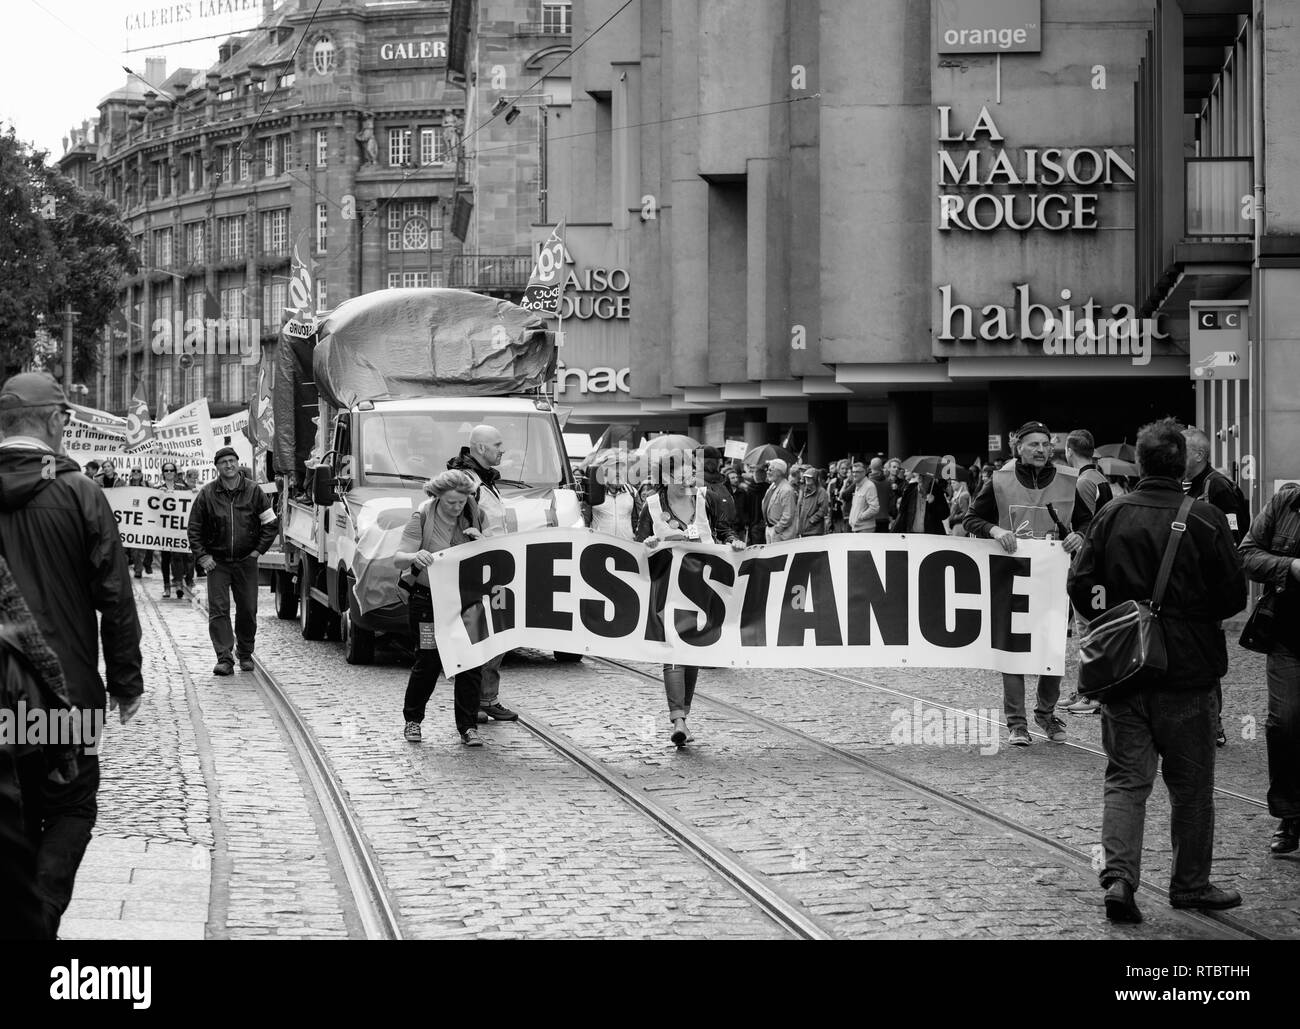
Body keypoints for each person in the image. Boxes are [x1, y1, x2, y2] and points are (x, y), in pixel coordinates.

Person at [1068, 418, 1247, 922]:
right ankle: (1190, 884)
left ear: (1141, 464)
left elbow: (1082, 585)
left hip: (1124, 670)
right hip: (1189, 671)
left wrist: (1116, 615)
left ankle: (1120, 879)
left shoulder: (1111, 514)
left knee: (1126, 779)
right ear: (1183, 462)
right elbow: (1233, 596)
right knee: (1191, 787)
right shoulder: (1207, 518)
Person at [0, 372, 143, 938]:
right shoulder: (80, 492)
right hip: (63, 693)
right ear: (55, 421)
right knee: (69, 804)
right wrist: (126, 682)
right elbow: (115, 597)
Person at [964, 420, 1089, 746]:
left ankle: (1045, 715)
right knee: (1014, 651)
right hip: (1012, 576)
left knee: (1051, 650)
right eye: (1033, 444)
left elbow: (1091, 523)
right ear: (1018, 447)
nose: (1040, 450)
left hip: (1053, 579)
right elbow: (971, 519)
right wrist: (996, 531)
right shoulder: (1000, 480)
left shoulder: (1068, 480)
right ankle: (1017, 725)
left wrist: (1079, 535)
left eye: (1045, 445)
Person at [634, 454, 746, 747]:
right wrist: (647, 545)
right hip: (667, 588)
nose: (688, 482)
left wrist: (733, 541)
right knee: (673, 651)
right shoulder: (652, 505)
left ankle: (684, 713)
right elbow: (639, 544)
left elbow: (722, 530)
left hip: (702, 589)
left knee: (693, 650)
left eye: (691, 476)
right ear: (667, 478)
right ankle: (678, 720)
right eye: (682, 477)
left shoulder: (705, 500)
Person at [395, 470, 488, 746]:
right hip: (428, 600)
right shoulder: (421, 519)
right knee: (428, 660)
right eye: (451, 503)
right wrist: (416, 555)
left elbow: (494, 556)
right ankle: (413, 720)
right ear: (437, 497)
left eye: (461, 502)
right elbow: (398, 559)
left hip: (467, 599)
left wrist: (482, 543)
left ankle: (468, 727)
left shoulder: (475, 516)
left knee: (471, 661)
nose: (457, 508)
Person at [1239, 483, 1300, 856]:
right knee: (1285, 722)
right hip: (1288, 637)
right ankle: (1290, 813)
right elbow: (1246, 555)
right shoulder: (1287, 502)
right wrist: (1290, 566)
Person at [1183, 426, 1251, 748]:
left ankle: (1214, 724)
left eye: (1181, 450)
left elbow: (1234, 538)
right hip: (1188, 585)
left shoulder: (1218, 486)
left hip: (1209, 589)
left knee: (1206, 655)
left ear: (1198, 454)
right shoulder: (1186, 484)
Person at [188, 447, 278, 676]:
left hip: (246, 561)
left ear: (238, 463)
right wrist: (203, 555)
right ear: (216, 467)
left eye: (232, 461)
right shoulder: (207, 494)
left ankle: (245, 653)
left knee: (248, 609)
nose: (228, 465)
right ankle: (224, 658)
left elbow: (270, 523)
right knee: (218, 610)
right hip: (217, 563)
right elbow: (194, 528)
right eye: (223, 462)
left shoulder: (254, 491)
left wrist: (258, 551)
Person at [448, 424, 517, 722]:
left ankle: (486, 697)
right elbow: (458, 520)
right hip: (479, 569)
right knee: (478, 634)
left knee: (498, 633)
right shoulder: (468, 481)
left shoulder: (484, 479)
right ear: (480, 448)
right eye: (497, 444)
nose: (502, 449)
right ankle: (474, 701)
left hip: (497, 567)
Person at [1060, 429, 1115, 715]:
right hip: (1100, 565)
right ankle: (1086, 689)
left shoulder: (1082, 482)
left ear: (1069, 450)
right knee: (1090, 629)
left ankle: (1093, 694)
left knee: (1089, 631)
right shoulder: (1101, 479)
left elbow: (1086, 527)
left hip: (1088, 567)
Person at [584, 449, 639, 540]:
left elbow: (638, 520)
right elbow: (585, 520)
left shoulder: (632, 491)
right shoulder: (593, 491)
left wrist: (636, 538)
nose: (618, 473)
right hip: (600, 546)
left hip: (626, 546)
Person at [158, 462, 194, 599]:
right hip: (164, 528)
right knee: (165, 558)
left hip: (178, 527)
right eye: (166, 470)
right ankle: (166, 586)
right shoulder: (157, 488)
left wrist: (194, 493)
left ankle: (179, 583)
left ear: (175, 472)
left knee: (178, 555)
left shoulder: (182, 487)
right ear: (163, 473)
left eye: (171, 470)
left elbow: (190, 501)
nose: (169, 472)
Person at [125, 467, 155, 578]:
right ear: (131, 473)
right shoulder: (126, 487)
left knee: (147, 545)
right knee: (134, 546)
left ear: (142, 473)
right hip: (132, 519)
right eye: (134, 471)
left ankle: (147, 563)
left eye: (138, 471)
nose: (136, 473)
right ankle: (138, 569)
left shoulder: (148, 485)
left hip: (146, 519)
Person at [761, 458, 798, 542]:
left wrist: (777, 529)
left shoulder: (787, 490)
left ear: (779, 472)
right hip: (770, 528)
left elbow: (787, 515)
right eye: (768, 469)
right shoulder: (773, 485)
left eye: (770, 470)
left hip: (779, 532)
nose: (767, 472)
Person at [848, 461, 881, 532]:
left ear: (864, 472)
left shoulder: (869, 486)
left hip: (865, 528)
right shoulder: (858, 485)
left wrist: (859, 517)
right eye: (853, 472)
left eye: (857, 472)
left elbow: (874, 508)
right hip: (857, 527)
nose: (854, 474)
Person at [798, 467, 830, 537]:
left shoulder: (821, 491)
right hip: (803, 530)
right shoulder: (804, 491)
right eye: (806, 477)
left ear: (815, 478)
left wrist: (812, 520)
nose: (807, 479)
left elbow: (823, 509)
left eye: (809, 477)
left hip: (815, 531)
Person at [868, 458, 895, 533]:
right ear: (881, 467)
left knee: (870, 543)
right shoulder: (888, 483)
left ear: (870, 466)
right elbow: (892, 501)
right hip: (885, 518)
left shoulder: (867, 483)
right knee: (883, 543)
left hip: (870, 519)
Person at [946, 470, 971, 537]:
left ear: (960, 483)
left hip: (960, 526)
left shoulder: (963, 495)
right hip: (955, 524)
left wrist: (951, 518)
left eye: (954, 483)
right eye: (951, 483)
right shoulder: (956, 493)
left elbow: (964, 513)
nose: (951, 485)